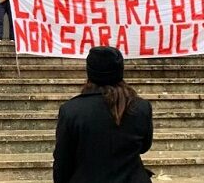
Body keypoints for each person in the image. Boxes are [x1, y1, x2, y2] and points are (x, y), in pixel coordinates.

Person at [53, 46, 153, 183]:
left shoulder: (71, 110)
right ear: (120, 71)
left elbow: (62, 160)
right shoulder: (141, 107)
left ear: (90, 72)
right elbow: (144, 147)